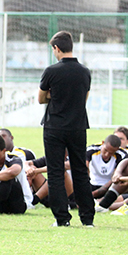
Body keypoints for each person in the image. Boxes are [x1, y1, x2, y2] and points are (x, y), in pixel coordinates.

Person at [38, 30, 95, 227]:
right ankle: (87, 218)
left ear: (56, 48)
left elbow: (41, 98)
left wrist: (53, 95)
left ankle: (62, 218)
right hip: (78, 126)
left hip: (54, 126)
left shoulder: (51, 71)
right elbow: (84, 99)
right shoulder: (84, 71)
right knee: (80, 171)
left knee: (55, 172)